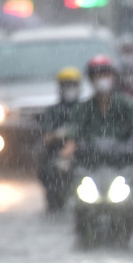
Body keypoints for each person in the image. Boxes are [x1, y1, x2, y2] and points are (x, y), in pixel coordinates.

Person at [60, 55, 133, 247]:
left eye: (105, 73)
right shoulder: (83, 108)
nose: (101, 78)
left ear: (113, 76)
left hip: (124, 164)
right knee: (73, 183)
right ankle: (80, 231)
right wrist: (66, 153)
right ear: (90, 79)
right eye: (96, 75)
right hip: (92, 165)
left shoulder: (127, 104)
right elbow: (73, 134)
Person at [37, 67, 82, 212]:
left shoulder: (86, 109)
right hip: (58, 153)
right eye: (66, 85)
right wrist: (61, 135)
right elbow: (47, 136)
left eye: (73, 85)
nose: (70, 89)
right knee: (52, 170)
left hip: (85, 153)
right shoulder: (53, 111)